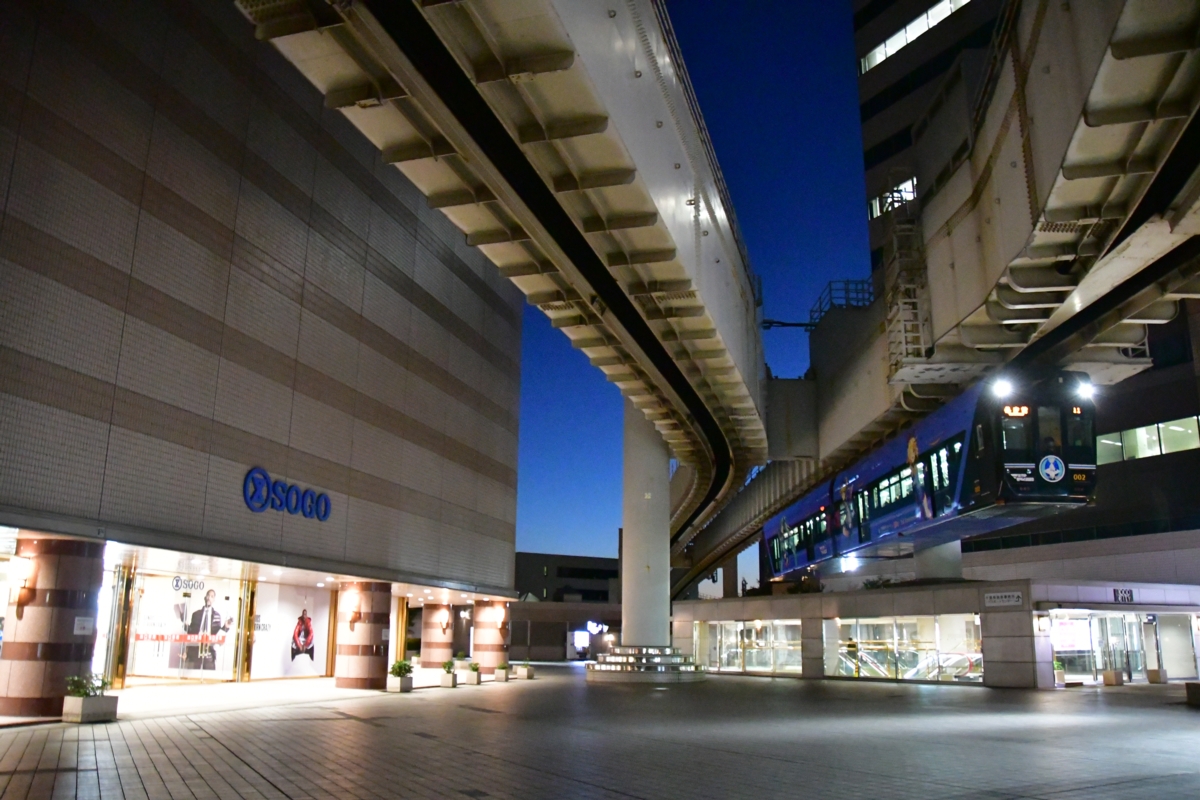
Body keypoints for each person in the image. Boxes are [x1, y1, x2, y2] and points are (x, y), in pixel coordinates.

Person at [185, 589, 230, 670]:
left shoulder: (217, 616)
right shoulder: (196, 614)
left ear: (214, 600)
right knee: (194, 675)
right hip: (196, 651)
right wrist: (186, 626)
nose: (209, 598)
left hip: (209, 651)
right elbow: (191, 633)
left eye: (212, 596)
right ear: (205, 597)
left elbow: (217, 634)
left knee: (209, 675)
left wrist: (225, 627)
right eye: (208, 595)